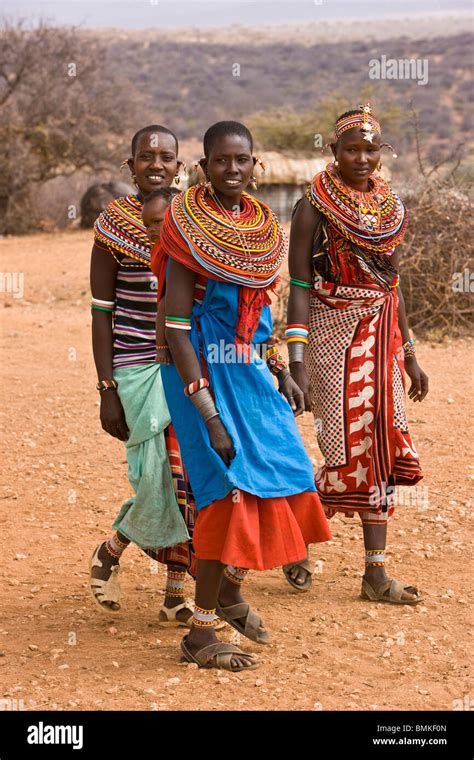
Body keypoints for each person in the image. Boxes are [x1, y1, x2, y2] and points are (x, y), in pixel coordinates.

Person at [152, 121, 332, 671]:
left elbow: (259, 321)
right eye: (222, 160)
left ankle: (227, 592)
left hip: (248, 373)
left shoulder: (259, 230)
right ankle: (199, 636)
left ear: (257, 165)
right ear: (203, 166)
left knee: (286, 473)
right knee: (224, 492)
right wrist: (208, 416)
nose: (233, 169)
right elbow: (176, 327)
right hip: (197, 375)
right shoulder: (185, 227)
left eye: (243, 160)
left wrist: (282, 369)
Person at [285, 103, 428, 605]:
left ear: (381, 153)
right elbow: (299, 283)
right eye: (352, 149)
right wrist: (296, 360)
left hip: (381, 331)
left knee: (382, 445)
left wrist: (410, 353)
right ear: (334, 151)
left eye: (370, 149)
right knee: (340, 444)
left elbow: (393, 285)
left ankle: (375, 572)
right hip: (328, 329)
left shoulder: (390, 208)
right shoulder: (312, 206)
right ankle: (296, 539)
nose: (362, 158)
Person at [88, 125, 198, 627]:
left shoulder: (199, 221)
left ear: (180, 165)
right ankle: (111, 548)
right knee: (154, 474)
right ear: (129, 165)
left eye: (166, 156)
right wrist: (107, 388)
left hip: (188, 365)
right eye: (145, 156)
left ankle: (175, 594)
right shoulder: (113, 227)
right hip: (134, 369)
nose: (156, 163)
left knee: (187, 476)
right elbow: (100, 312)